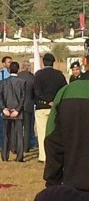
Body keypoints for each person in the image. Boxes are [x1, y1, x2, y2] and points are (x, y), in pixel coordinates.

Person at [36, 52, 89, 199]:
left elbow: (53, 141)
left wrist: (53, 181)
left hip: (75, 186)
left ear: (84, 61)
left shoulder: (66, 93)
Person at [33, 53, 67, 163]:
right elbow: (64, 90)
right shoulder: (59, 75)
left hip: (42, 106)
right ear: (53, 62)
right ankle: (55, 156)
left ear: (43, 62)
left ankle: (43, 156)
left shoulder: (38, 74)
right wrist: (54, 101)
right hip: (56, 107)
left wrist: (47, 101)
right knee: (55, 132)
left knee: (42, 132)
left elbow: (37, 91)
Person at [0, 62, 26, 162]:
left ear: (9, 70)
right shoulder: (22, 82)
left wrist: (4, 108)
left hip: (6, 111)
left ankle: (5, 156)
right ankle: (19, 157)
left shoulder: (3, 82)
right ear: (18, 70)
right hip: (18, 112)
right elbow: (23, 97)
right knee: (19, 135)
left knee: (5, 134)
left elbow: (0, 96)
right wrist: (18, 109)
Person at [18, 61, 36, 153]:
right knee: (28, 127)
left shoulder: (17, 77)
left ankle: (17, 146)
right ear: (28, 68)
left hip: (17, 106)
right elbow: (35, 91)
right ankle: (26, 147)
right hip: (29, 104)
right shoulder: (32, 77)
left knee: (18, 127)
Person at [0, 56, 12, 150]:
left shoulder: (13, 74)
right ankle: (1, 143)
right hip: (3, 102)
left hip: (12, 102)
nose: (10, 64)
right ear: (4, 63)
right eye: (8, 62)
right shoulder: (0, 75)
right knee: (2, 124)